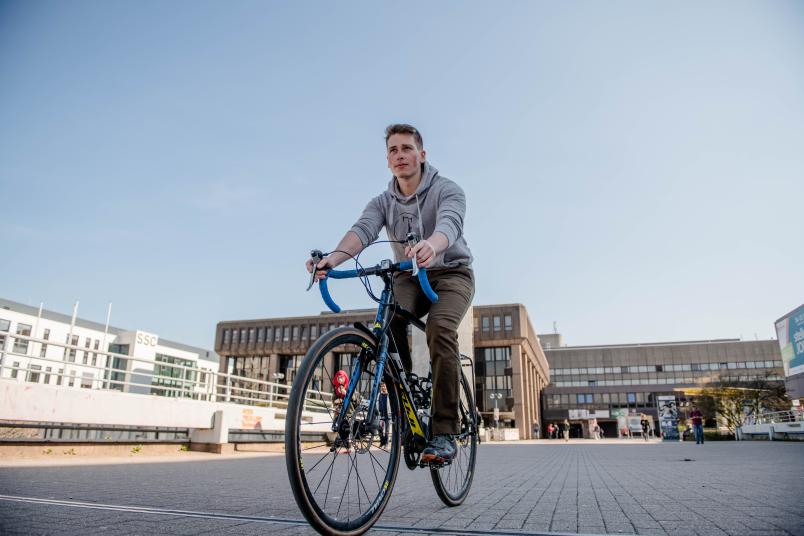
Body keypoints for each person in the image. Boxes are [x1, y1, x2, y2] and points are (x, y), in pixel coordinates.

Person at [307, 124, 474, 464]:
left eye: (407, 148)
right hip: (410, 274)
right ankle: (406, 403)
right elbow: (363, 230)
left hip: (451, 272)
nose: (400, 155)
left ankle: (444, 432)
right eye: (394, 150)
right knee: (387, 321)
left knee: (440, 329)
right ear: (387, 160)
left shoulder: (447, 189)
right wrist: (333, 259)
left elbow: (450, 223)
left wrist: (433, 244)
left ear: (421, 155)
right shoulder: (383, 202)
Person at [378, 382, 389, 447]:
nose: (383, 387)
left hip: (388, 415)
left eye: (384, 386)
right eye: (382, 386)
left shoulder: (388, 395)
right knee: (379, 429)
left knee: (387, 430)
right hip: (381, 415)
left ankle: (386, 443)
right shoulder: (379, 395)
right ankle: (382, 441)